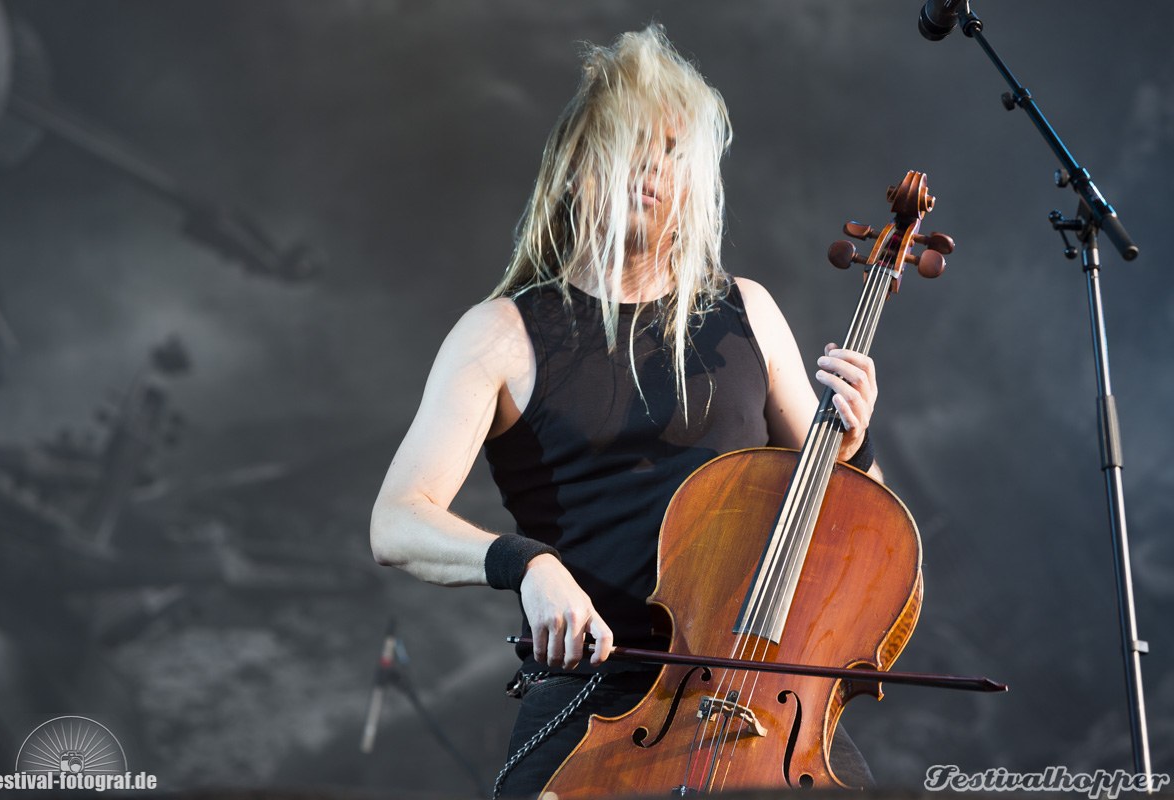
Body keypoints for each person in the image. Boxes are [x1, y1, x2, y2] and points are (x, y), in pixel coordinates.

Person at [370, 25, 881, 799]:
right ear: (577, 168)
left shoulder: (748, 312)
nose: (654, 166)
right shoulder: (501, 334)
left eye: (676, 151)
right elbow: (397, 521)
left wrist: (853, 445)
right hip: (590, 699)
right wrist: (528, 564)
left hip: (757, 712)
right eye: (634, 142)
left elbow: (850, 523)